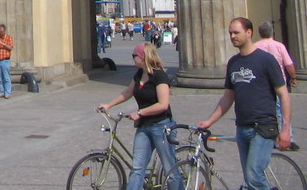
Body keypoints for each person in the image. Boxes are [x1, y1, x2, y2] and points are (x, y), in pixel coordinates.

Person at [195, 17, 292, 190]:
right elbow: (228, 97)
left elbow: (284, 95)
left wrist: (285, 130)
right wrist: (209, 121)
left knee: (254, 175)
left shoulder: (266, 60)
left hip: (263, 126)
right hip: (242, 127)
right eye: (230, 33)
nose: (232, 36)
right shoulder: (233, 62)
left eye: (236, 32)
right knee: (249, 179)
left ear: (249, 33)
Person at [97, 43, 180, 190]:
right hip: (144, 127)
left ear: (142, 57)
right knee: (137, 168)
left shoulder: (159, 76)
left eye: (134, 56)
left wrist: (140, 112)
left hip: (162, 126)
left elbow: (163, 104)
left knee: (170, 170)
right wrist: (109, 105)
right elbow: (127, 92)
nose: (133, 58)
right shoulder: (139, 75)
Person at [254, 21, 298, 150]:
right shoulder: (279, 46)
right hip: (278, 83)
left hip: (262, 85)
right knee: (282, 111)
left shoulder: (255, 47)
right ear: (271, 31)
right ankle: (288, 136)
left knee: (266, 111)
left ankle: (268, 137)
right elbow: (288, 64)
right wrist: (293, 77)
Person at [0, 23, 14, 99]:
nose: (0, 33)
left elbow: (11, 48)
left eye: (1, 31)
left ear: (4, 31)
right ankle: (2, 92)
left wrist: (3, 44)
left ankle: (7, 93)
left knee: (6, 77)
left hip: (5, 60)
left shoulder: (9, 38)